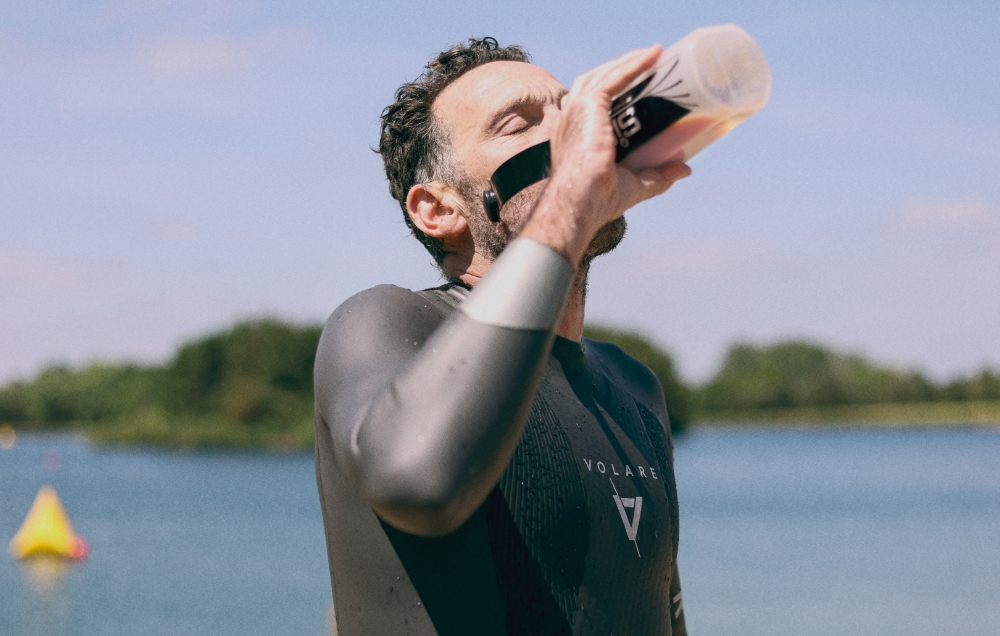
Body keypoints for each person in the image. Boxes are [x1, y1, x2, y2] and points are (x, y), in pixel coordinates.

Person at [314, 37, 692, 636]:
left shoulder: (633, 384)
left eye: (570, 111)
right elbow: (419, 482)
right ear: (438, 209)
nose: (572, 134)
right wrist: (569, 199)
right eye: (520, 124)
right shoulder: (387, 324)